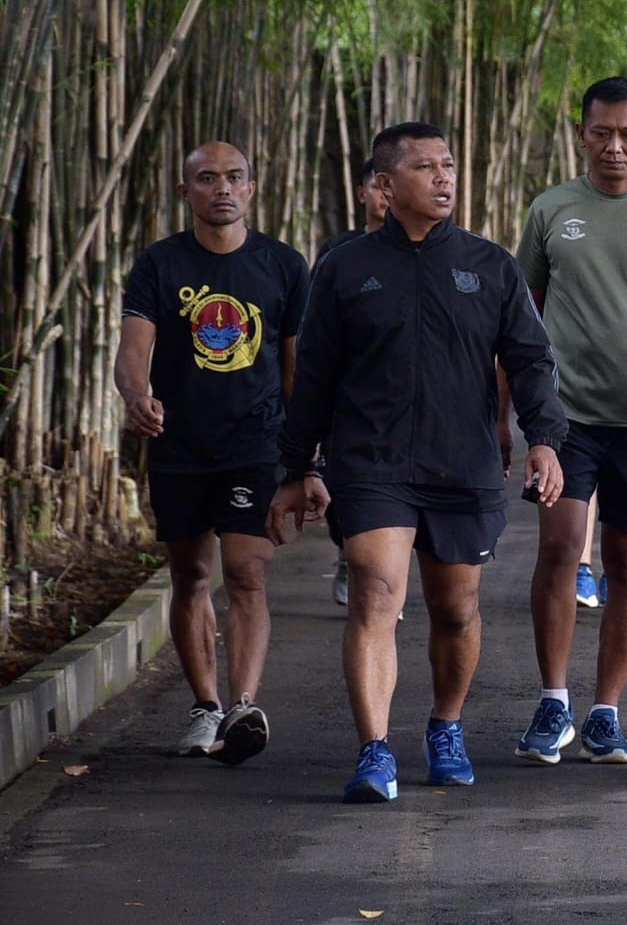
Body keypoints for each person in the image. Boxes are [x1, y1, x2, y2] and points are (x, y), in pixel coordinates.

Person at [268, 121, 567, 804]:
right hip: (370, 462)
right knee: (376, 592)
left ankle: (445, 726)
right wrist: (296, 468)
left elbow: (530, 359)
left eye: (448, 165)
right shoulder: (344, 267)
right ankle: (374, 751)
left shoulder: (489, 264)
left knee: (456, 610)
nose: (443, 178)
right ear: (384, 184)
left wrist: (545, 438)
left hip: (462, 463)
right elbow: (314, 376)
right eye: (426, 167)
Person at [513, 76, 627, 766]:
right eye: (601, 133)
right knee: (562, 549)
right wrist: (521, 409)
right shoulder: (552, 208)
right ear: (582, 135)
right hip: (566, 417)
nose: (614, 146)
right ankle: (553, 701)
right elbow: (525, 313)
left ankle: (605, 713)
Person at [115, 140, 309, 765]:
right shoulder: (160, 263)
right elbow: (133, 351)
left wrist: (306, 460)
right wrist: (137, 396)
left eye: (233, 177)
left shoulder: (283, 265)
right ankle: (205, 705)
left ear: (251, 187)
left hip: (255, 442)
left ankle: (243, 706)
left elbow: (296, 370)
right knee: (192, 575)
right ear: (185, 191)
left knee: (247, 572)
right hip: (179, 445)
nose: (221, 188)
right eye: (206, 178)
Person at [324, 158, 391, 610]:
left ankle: (381, 575)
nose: (385, 196)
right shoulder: (338, 253)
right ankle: (349, 553)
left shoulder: (431, 249)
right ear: (363, 193)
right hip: (349, 392)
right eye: (377, 187)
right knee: (343, 487)